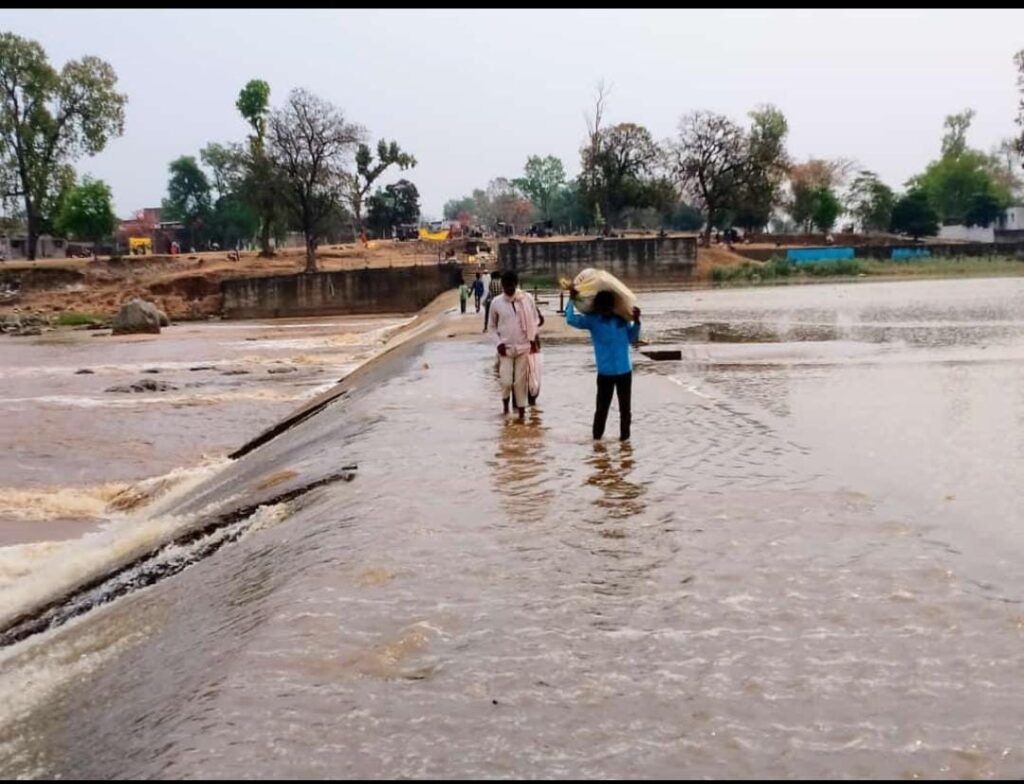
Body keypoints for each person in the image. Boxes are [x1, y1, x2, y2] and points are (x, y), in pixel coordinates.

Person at [565, 287, 641, 441]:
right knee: (601, 409)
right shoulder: (593, 321)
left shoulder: (621, 320)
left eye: (608, 307)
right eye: (603, 307)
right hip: (605, 372)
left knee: (625, 410)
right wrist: (571, 300)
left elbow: (631, 338)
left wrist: (637, 322)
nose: (605, 311)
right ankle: (597, 442)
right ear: (598, 307)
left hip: (624, 371)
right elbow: (570, 319)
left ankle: (625, 444)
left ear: (612, 306)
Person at [489, 270, 540, 420]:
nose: (509, 289)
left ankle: (521, 415)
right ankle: (505, 408)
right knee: (506, 381)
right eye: (506, 286)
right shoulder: (496, 303)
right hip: (505, 349)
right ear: (502, 286)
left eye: (511, 286)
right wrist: (498, 343)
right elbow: (491, 327)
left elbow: (535, 320)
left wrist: (533, 339)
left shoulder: (527, 299)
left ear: (516, 284)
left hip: (524, 347)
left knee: (520, 383)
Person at [482, 268, 503, 333]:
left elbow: (490, 292)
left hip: (493, 300)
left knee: (487, 313)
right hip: (501, 300)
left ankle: (485, 327)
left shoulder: (491, 282)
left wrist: (485, 300)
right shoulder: (501, 282)